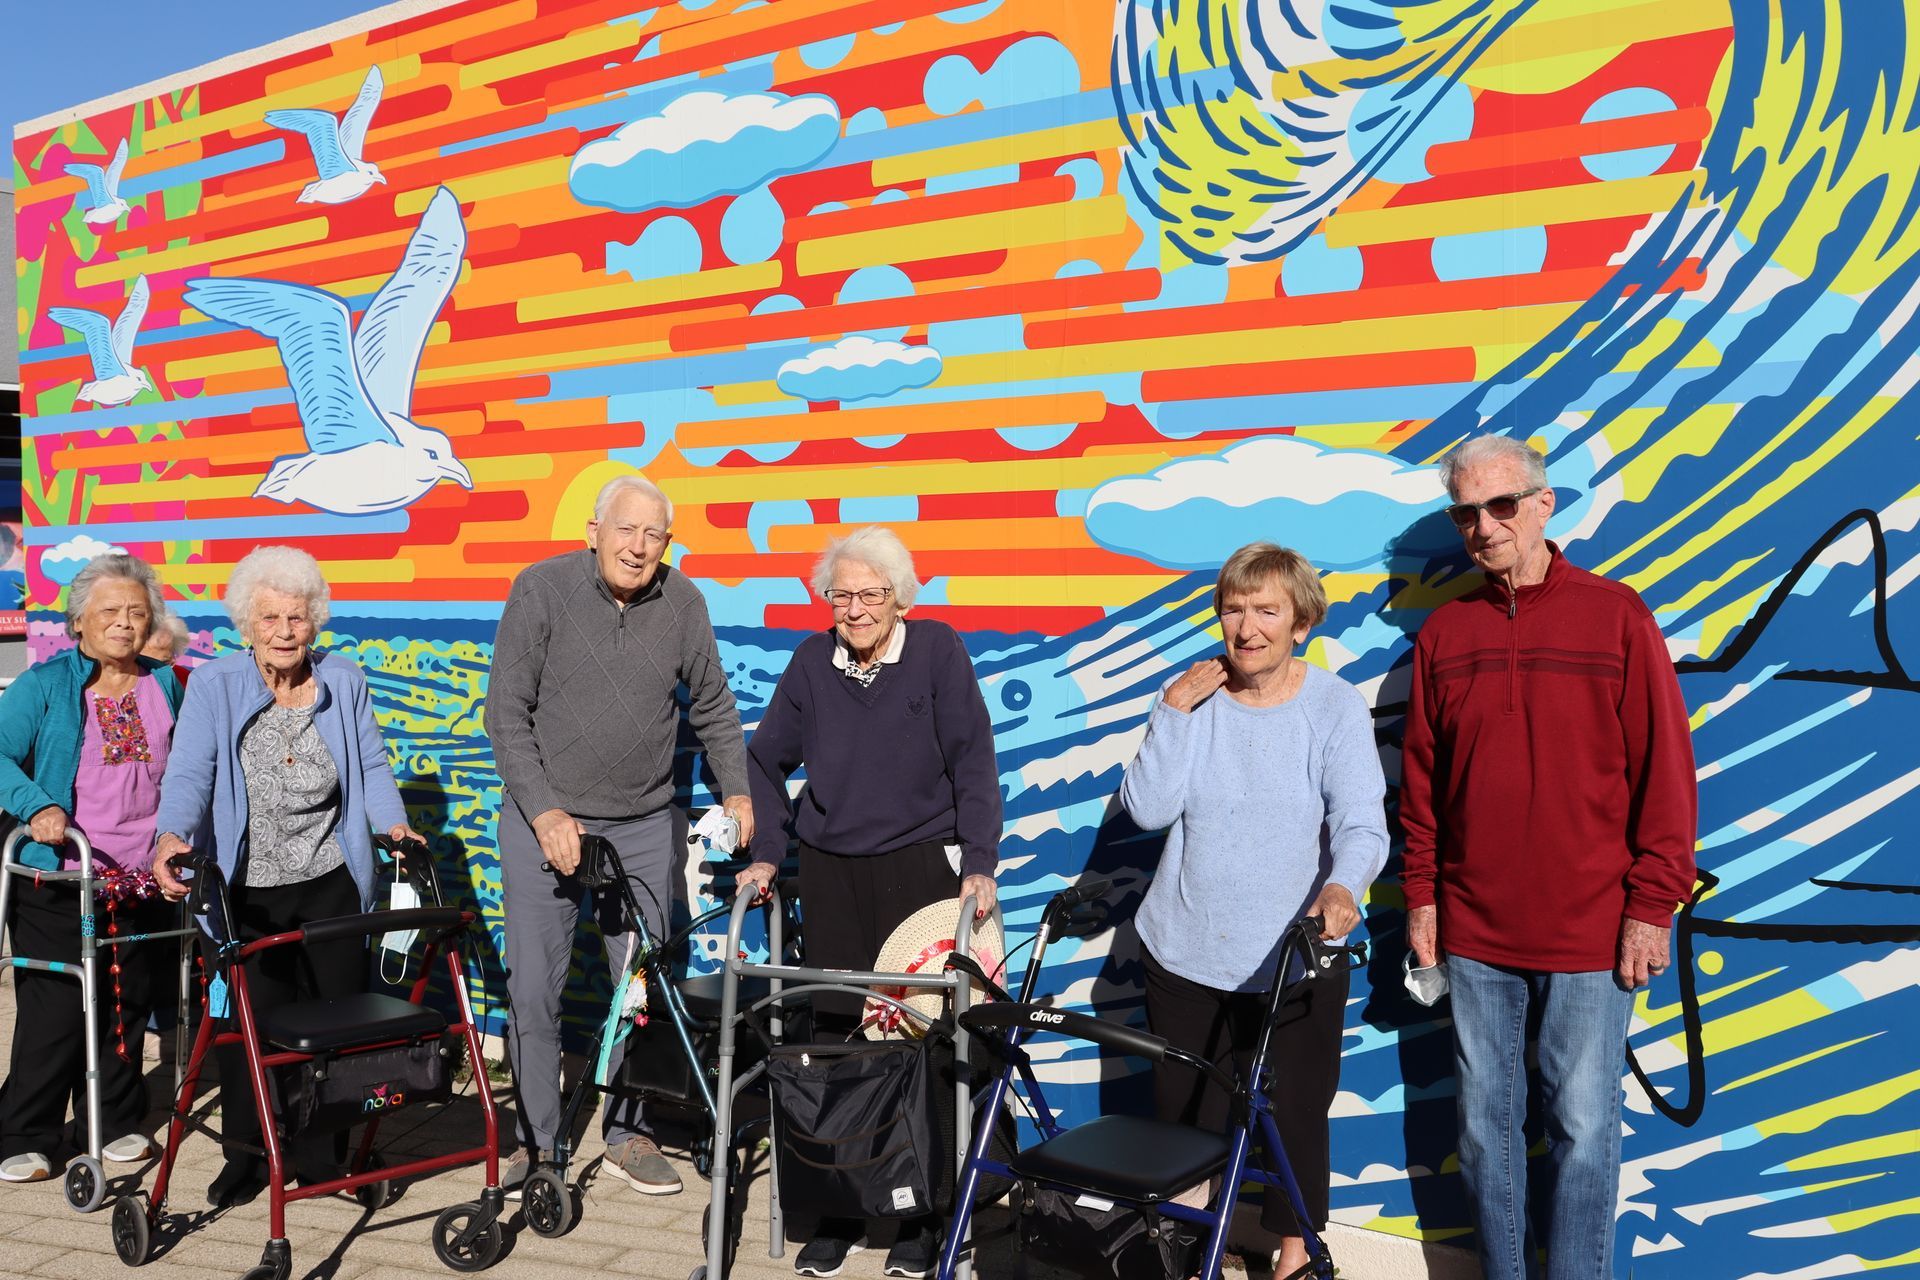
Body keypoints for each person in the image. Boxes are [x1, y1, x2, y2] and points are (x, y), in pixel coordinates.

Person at [1399, 435, 1696, 1280]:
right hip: (1475, 930)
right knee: (1481, 1132)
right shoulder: (1444, 635)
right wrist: (1422, 896)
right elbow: (1420, 785)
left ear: (1543, 504)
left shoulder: (1616, 615)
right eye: (1466, 512)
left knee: (1584, 1130)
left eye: (1500, 506)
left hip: (1592, 932)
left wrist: (1651, 905)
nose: (1484, 527)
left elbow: (1666, 775)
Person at [739, 525, 1002, 1280]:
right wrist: (766, 853)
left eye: (870, 594)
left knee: (920, 1037)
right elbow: (765, 759)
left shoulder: (936, 651)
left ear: (899, 597)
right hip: (829, 870)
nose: (854, 609)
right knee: (839, 1034)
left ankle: (921, 1214)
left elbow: (974, 759)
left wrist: (978, 860)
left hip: (919, 864)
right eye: (841, 595)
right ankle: (844, 1206)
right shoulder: (810, 664)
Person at [1119, 541, 1388, 1275]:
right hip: (1185, 944)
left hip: (1293, 956)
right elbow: (1145, 811)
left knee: (1298, 1109)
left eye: (1267, 610)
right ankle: (1192, 1237)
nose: (1247, 628)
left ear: (1300, 622)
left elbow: (1363, 821)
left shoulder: (1332, 705)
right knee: (1188, 1109)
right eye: (1233, 610)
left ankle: (1295, 1253)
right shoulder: (1194, 700)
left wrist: (1343, 885)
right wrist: (1170, 715)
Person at [488, 473, 752, 1199]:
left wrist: (736, 788)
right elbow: (505, 712)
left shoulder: (682, 601)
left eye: (654, 536)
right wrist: (544, 812)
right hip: (545, 822)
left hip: (639, 826)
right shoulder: (541, 588)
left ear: (668, 544)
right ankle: (537, 1143)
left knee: (636, 987)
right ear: (593, 532)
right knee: (536, 993)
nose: (638, 548)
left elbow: (715, 706)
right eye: (626, 530)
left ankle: (627, 1131)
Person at [150, 545, 422, 1207]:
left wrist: (395, 829)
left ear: (315, 620)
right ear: (246, 624)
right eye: (268, 617)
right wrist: (170, 837)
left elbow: (374, 769)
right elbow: (190, 774)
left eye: (295, 617)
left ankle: (326, 1159)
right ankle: (247, 1156)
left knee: (335, 1026)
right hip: (247, 887)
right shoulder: (216, 686)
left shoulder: (345, 681)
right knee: (251, 1024)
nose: (283, 631)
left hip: (330, 875)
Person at [0, 555, 185, 1183]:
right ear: (79, 620)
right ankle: (25, 1130)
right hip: (61, 871)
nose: (125, 623)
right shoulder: (46, 685)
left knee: (124, 1001)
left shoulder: (164, 683)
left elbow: (183, 769)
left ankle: (115, 1121)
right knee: (55, 1007)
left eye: (137, 611)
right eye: (110, 611)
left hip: (135, 874)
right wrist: (36, 805)